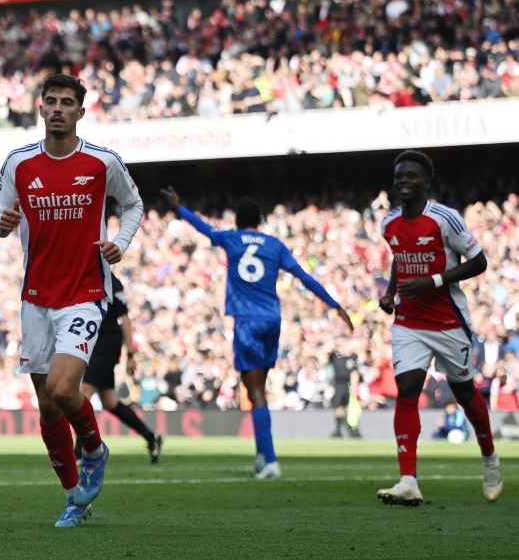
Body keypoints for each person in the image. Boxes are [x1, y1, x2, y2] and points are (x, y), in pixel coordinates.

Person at [0, 74, 144, 528]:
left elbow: (133, 204)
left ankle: (95, 450)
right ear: (40, 109)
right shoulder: (18, 162)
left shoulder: (101, 161)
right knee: (48, 408)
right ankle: (75, 498)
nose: (57, 108)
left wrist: (121, 242)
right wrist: (2, 222)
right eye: (50, 101)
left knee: (62, 388)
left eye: (67, 102)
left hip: (85, 292)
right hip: (35, 296)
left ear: (80, 111)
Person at [161, 186, 353, 480]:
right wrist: (334, 304)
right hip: (272, 320)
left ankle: (272, 460)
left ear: (237, 220)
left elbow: (204, 228)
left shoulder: (231, 238)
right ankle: (263, 457)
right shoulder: (274, 244)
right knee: (258, 388)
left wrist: (180, 208)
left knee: (255, 392)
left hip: (247, 321)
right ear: (260, 220)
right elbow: (303, 276)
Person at [376, 149, 502, 506]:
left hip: (447, 320)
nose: (403, 181)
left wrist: (432, 282)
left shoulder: (445, 218)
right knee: (407, 390)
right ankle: (408, 480)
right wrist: (389, 292)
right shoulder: (389, 223)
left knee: (464, 393)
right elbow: (400, 260)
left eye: (411, 176)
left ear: (426, 181)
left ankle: (490, 458)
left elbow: (479, 261)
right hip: (408, 321)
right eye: (399, 176)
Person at [73, 272, 163, 464]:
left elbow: (125, 319)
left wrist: (130, 354)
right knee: (109, 401)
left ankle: (80, 450)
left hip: (107, 344)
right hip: (93, 343)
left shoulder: (112, 282)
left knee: (85, 392)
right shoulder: (85, 276)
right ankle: (151, 437)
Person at [329, 349, 362, 438]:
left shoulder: (352, 357)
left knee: (350, 408)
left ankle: (352, 429)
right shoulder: (334, 356)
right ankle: (338, 429)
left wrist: (353, 385)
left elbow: (354, 372)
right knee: (339, 407)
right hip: (339, 386)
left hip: (348, 385)